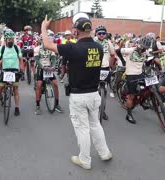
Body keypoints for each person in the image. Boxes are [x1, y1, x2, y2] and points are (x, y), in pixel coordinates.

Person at [41, 13, 112, 170]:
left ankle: (85, 159)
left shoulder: (73, 48)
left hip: (79, 95)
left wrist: (43, 28)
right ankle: (104, 152)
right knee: (95, 125)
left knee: (82, 128)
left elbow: (47, 45)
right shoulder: (99, 47)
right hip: (94, 94)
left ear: (76, 31)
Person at [120, 36, 152, 124]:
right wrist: (123, 61)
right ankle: (129, 114)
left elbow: (150, 58)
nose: (142, 49)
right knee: (132, 96)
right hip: (130, 74)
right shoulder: (130, 50)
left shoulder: (146, 52)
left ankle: (142, 101)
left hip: (140, 73)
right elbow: (118, 51)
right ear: (138, 44)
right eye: (141, 46)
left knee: (148, 88)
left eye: (145, 48)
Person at [0, 30, 24, 116]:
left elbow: (21, 59)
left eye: (12, 39)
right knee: (0, 89)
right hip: (5, 70)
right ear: (5, 40)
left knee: (15, 89)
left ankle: (17, 107)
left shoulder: (17, 48)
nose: (10, 40)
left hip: (14, 71)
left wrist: (22, 68)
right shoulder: (2, 48)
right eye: (9, 39)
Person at [34, 30, 63, 115]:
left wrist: (53, 66)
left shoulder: (51, 48)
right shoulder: (37, 48)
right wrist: (42, 67)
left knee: (55, 84)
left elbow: (53, 59)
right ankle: (38, 105)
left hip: (49, 68)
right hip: (41, 68)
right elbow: (37, 60)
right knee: (39, 85)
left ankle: (57, 104)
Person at [95, 25, 116, 106]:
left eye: (103, 33)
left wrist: (110, 66)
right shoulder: (93, 41)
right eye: (99, 33)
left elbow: (113, 55)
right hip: (94, 67)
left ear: (105, 34)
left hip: (105, 67)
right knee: (93, 87)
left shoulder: (108, 43)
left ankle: (102, 110)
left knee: (105, 88)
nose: (101, 35)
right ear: (96, 34)